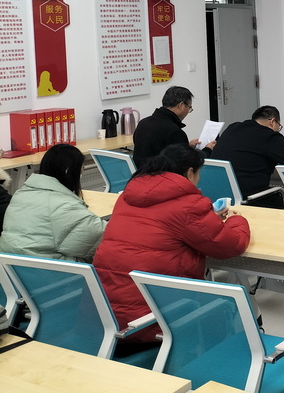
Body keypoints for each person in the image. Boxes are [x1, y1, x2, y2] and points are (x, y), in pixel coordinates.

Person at [93, 143, 250, 345]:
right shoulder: (189, 205)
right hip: (151, 322)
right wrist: (236, 220)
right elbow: (232, 245)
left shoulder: (126, 197)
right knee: (227, 303)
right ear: (190, 172)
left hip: (104, 319)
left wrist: (207, 219)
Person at [0, 144, 105, 261]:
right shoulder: (64, 206)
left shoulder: (20, 194)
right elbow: (102, 237)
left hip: (13, 267)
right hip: (48, 269)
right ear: (68, 171)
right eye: (82, 169)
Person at [211, 105, 284, 208]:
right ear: (272, 122)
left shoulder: (232, 128)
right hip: (251, 199)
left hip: (220, 197)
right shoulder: (269, 135)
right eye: (278, 127)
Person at [132, 86, 216, 168]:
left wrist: (187, 146)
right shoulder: (174, 132)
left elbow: (159, 150)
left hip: (142, 174)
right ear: (181, 105)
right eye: (189, 107)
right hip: (161, 175)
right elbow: (188, 162)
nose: (188, 111)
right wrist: (207, 150)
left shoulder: (143, 123)